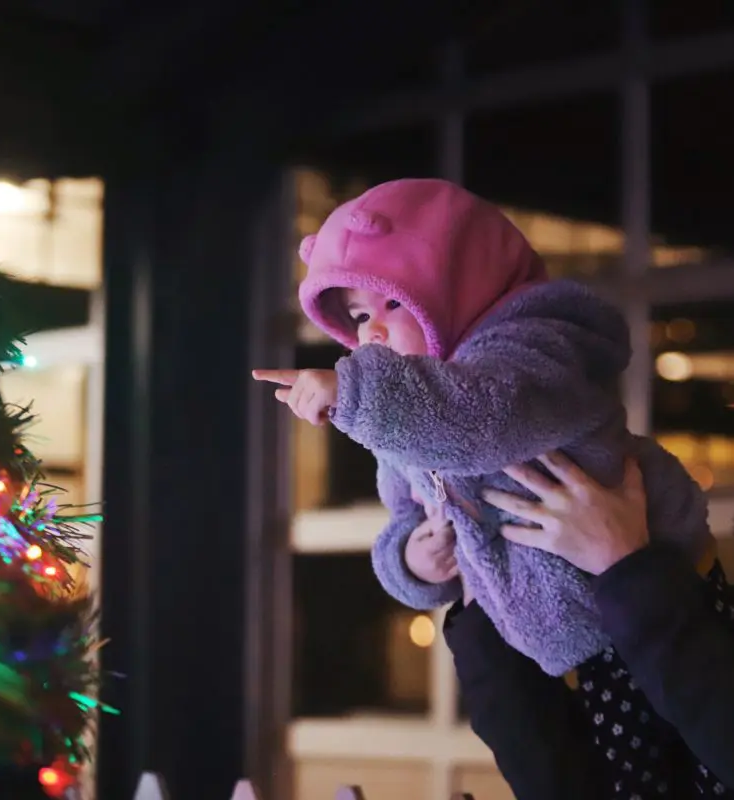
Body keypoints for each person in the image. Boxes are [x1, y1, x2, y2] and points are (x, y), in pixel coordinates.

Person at [252, 178, 719, 798]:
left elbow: (485, 418)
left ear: (458, 287)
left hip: (643, 610)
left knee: (682, 764)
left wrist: (356, 396)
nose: (375, 334)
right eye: (361, 316)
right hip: (549, 648)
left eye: (394, 305)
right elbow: (401, 513)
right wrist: (416, 559)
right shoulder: (408, 415)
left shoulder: (532, 348)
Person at [450, 450, 734, 798]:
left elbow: (547, 770)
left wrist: (479, 586)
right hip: (656, 578)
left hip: (622, 594)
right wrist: (624, 563)